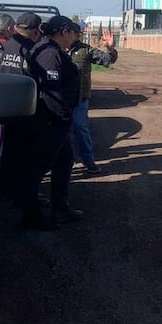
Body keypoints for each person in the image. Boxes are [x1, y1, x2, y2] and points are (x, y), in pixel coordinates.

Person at [0, 11, 51, 226]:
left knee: (7, 156)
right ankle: (25, 202)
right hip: (26, 115)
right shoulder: (33, 52)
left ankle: (5, 194)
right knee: (28, 162)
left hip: (0, 112)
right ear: (37, 31)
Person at [29, 15, 85, 226]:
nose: (74, 37)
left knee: (64, 161)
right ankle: (33, 215)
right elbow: (51, 93)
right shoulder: (50, 54)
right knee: (40, 167)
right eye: (73, 33)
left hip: (54, 121)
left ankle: (59, 207)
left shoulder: (52, 50)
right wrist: (64, 116)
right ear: (64, 31)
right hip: (50, 122)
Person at [68, 24, 118, 174]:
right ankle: (64, 162)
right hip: (60, 100)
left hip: (79, 100)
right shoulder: (54, 50)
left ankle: (88, 161)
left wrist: (110, 48)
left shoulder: (85, 50)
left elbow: (107, 60)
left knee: (80, 128)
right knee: (61, 132)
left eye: (75, 33)